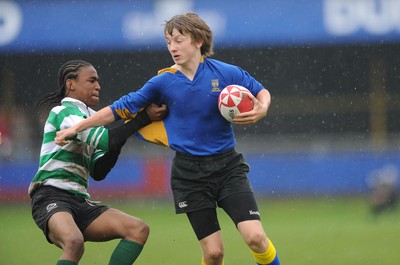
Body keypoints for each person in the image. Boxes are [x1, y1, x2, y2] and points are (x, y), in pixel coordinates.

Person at [56, 13, 280, 265]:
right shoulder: (162, 82)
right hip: (189, 175)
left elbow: (261, 91)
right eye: (168, 42)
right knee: (214, 253)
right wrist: (75, 128)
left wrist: (263, 107)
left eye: (178, 40)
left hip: (228, 168)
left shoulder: (226, 73)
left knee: (256, 237)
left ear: (198, 40)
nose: (172, 47)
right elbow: (118, 110)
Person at [29, 59, 167, 265]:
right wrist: (142, 119)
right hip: (50, 196)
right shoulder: (63, 112)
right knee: (74, 242)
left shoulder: (91, 117)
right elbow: (107, 139)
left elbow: (99, 171)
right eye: (91, 80)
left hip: (79, 201)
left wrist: (120, 139)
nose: (98, 86)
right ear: (71, 83)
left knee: (138, 229)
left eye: (98, 81)